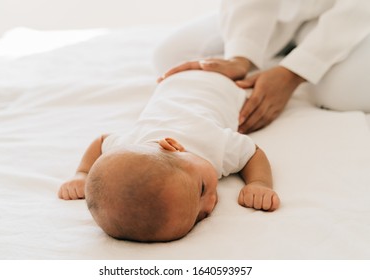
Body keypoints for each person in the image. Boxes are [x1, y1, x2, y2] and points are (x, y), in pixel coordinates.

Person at [58, 70, 280, 242]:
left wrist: (259, 182)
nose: (210, 204)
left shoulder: (214, 143)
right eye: (199, 217)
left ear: (174, 146)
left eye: (202, 189)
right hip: (172, 84)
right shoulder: (130, 147)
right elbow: (102, 142)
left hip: (221, 83)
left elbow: (253, 153)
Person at [154, 0, 370, 133]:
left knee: (342, 93)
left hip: (354, 17)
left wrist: (293, 73)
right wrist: (240, 57)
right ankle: (269, 67)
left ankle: (282, 68)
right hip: (280, 11)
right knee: (170, 55)